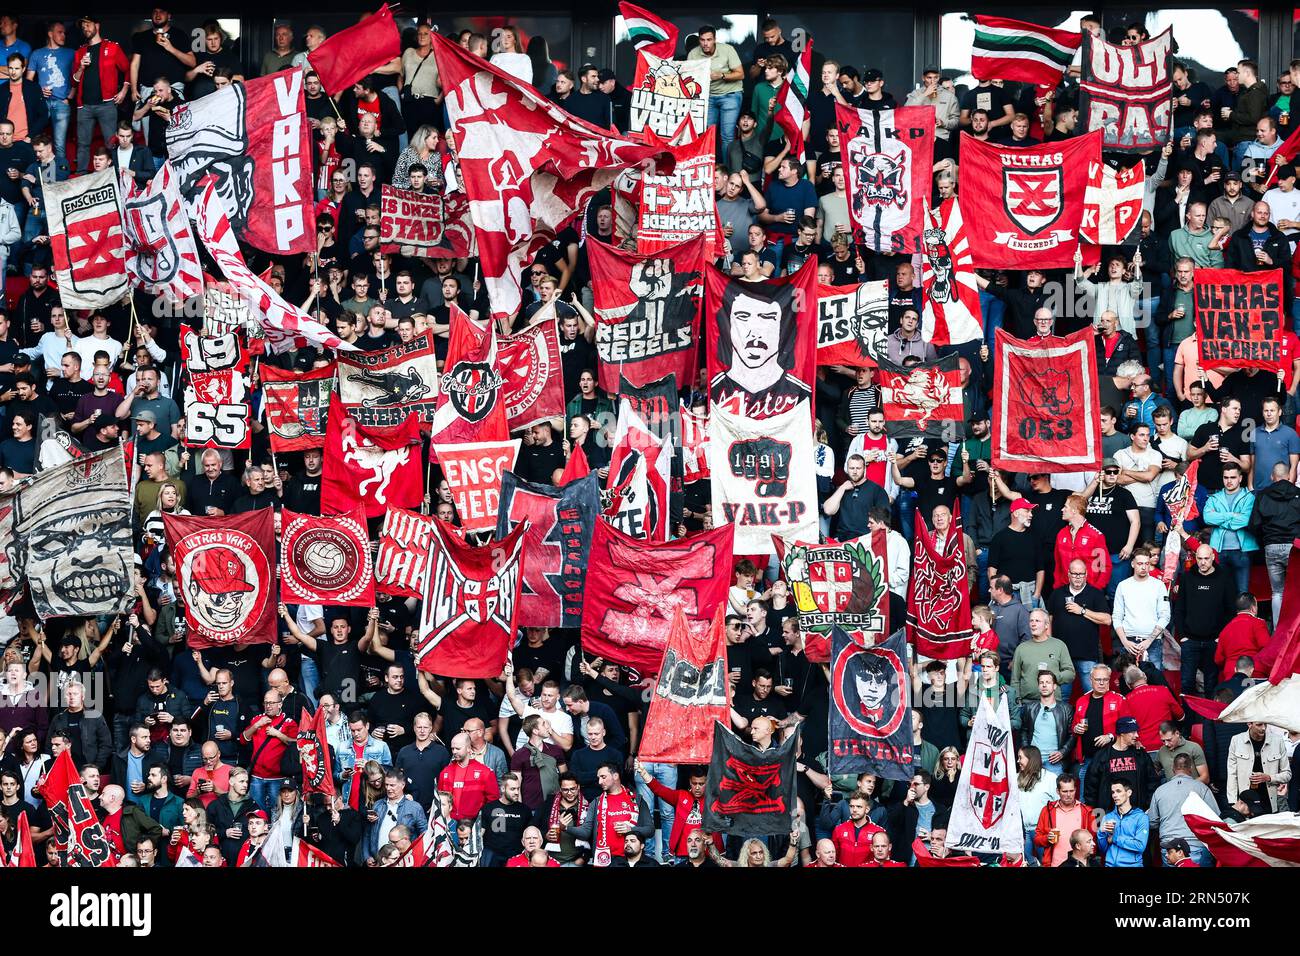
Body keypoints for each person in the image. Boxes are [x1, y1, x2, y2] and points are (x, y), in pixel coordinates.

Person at [1227, 721, 1292, 812]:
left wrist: (1269, 778)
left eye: (1265, 724)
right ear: (1249, 724)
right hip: (1246, 802)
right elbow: (1232, 774)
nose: (1263, 728)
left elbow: (1287, 774)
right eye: (1259, 725)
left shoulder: (1277, 741)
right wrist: (1233, 802)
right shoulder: (1236, 740)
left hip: (1270, 800)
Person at [1098, 781, 1149, 867]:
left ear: (1129, 793)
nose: (1114, 795)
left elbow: (1140, 846)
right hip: (1110, 865)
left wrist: (1114, 838)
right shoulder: (1107, 817)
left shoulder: (1141, 817)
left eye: (1118, 791)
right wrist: (1101, 832)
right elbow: (1103, 849)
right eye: (1113, 792)